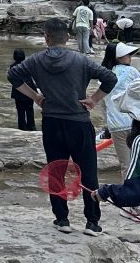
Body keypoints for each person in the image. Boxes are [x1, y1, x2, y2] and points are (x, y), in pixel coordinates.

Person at [8, 17, 117, 235]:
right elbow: (110, 78)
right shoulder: (81, 60)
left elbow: (13, 76)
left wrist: (36, 97)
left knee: (56, 170)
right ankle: (92, 222)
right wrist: (94, 99)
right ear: (67, 37)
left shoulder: (36, 60)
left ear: (46, 38)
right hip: (79, 122)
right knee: (88, 172)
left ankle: (62, 219)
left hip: (52, 123)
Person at [99, 42, 140, 181]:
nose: (130, 57)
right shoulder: (132, 72)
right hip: (136, 122)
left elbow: (104, 104)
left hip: (116, 126)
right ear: (119, 57)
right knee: (138, 161)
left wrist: (108, 125)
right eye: (127, 55)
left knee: (126, 164)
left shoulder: (105, 75)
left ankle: (128, 192)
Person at [10, 49, 37, 132]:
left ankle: (22, 126)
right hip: (29, 90)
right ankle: (31, 126)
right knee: (30, 109)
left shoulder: (13, 66)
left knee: (20, 110)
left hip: (18, 90)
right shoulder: (27, 65)